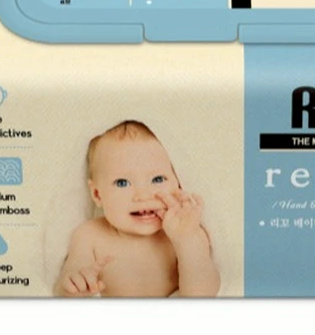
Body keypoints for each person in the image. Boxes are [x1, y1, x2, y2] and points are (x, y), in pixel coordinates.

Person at [54, 120, 220, 297]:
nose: (143, 195)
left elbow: (203, 295)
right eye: (122, 183)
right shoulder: (89, 236)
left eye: (157, 179)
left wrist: (186, 240)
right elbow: (65, 287)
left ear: (178, 184)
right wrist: (76, 287)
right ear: (97, 194)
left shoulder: (186, 233)